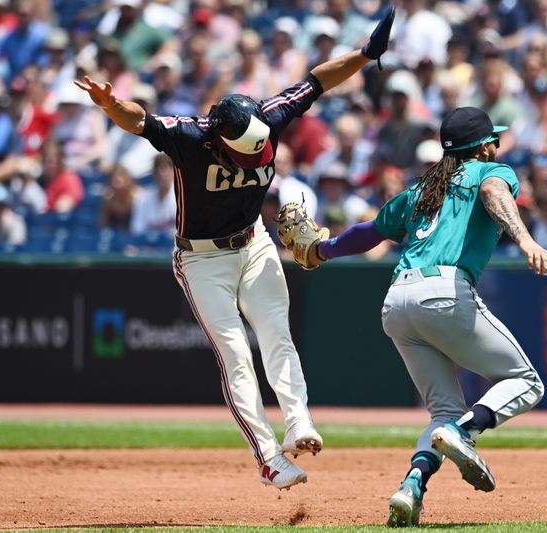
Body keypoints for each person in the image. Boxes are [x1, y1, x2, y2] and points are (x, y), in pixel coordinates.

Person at [73, 6, 396, 491]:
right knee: (235, 354)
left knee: (276, 335)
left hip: (254, 241)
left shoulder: (267, 117)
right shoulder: (189, 136)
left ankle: (299, 422)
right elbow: (140, 120)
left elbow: (317, 81)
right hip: (201, 258)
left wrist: (366, 54)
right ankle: (268, 458)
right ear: (221, 141)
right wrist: (109, 105)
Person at [295, 107, 547, 526]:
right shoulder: (492, 171)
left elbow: (370, 232)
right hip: (444, 292)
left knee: (442, 411)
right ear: (483, 146)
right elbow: (492, 193)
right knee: (525, 382)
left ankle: (411, 487)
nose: (497, 147)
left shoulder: (420, 189)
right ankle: (464, 433)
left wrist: (321, 250)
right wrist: (524, 239)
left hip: (397, 301)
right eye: (495, 140)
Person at [129, 153, 176, 237]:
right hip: (149, 246)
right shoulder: (144, 198)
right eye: (159, 170)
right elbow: (136, 228)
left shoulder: (183, 196)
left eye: (166, 169)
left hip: (174, 245)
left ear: (173, 171)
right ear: (154, 174)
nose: (163, 174)